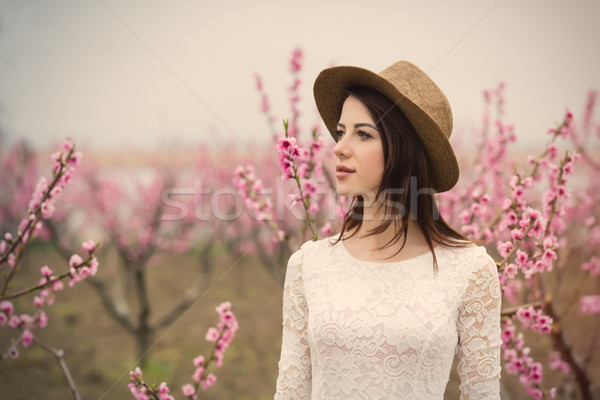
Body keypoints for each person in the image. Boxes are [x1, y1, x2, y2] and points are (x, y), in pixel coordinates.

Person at [273, 60, 502, 400]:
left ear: (404, 149)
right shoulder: (309, 265)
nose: (339, 147)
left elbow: (482, 394)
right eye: (340, 132)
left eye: (362, 134)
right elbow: (290, 394)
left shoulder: (470, 270)